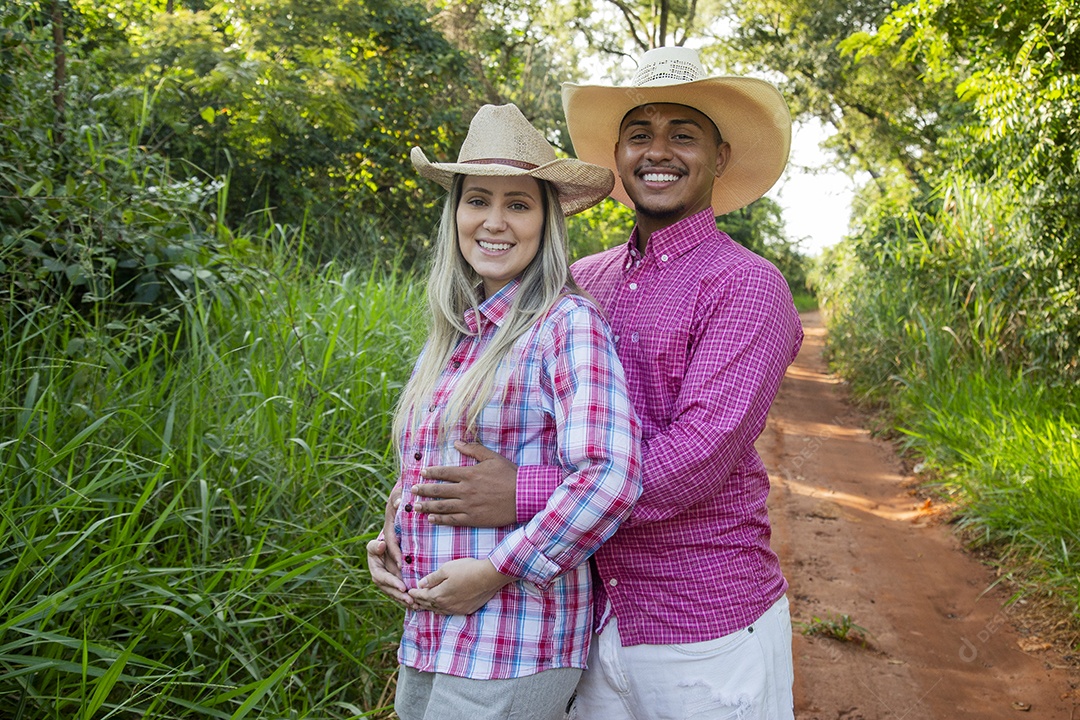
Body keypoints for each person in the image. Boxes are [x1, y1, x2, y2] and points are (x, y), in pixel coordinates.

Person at [371, 47, 805, 718]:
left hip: (699, 622)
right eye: (640, 135)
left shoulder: (747, 286)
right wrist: (413, 517)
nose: (657, 152)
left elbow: (696, 460)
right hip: (588, 616)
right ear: (620, 155)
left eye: (682, 135)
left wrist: (520, 491)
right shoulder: (585, 282)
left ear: (719, 156)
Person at [367, 103, 643, 720]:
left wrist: (496, 569)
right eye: (477, 200)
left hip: (515, 640)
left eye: (518, 204)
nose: (494, 222)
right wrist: (391, 533)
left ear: (547, 221)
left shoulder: (566, 326)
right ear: (454, 213)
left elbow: (610, 476)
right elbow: (432, 463)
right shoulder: (458, 334)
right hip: (434, 631)